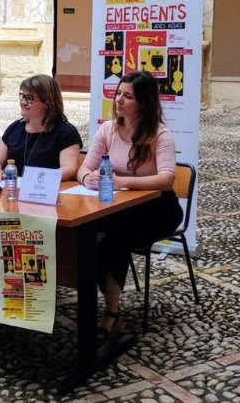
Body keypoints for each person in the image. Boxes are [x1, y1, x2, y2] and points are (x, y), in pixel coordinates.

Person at [76, 70, 181, 337]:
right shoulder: (107, 130)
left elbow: (167, 179)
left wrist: (123, 182)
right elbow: (84, 167)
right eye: (118, 94)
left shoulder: (160, 134)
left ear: (143, 103)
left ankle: (111, 311)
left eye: (128, 96)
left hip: (157, 208)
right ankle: (90, 294)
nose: (119, 101)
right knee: (85, 233)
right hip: (117, 205)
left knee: (114, 239)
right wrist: (88, 177)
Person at [0, 75, 81, 181]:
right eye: (22, 96)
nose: (23, 102)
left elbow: (69, 169)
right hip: (13, 190)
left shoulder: (66, 132)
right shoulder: (15, 127)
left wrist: (35, 178)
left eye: (29, 98)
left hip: (46, 191)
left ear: (47, 103)